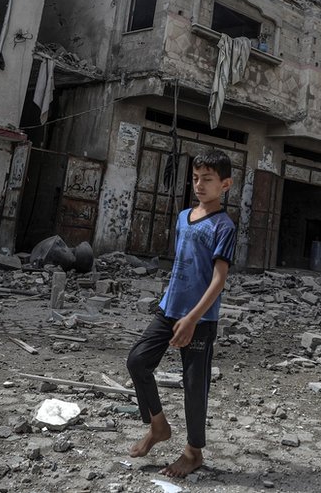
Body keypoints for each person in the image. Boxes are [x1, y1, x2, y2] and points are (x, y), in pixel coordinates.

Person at [126, 150, 236, 478]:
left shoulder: (224, 225)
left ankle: (193, 453)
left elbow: (218, 279)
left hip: (200, 320)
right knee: (137, 361)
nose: (200, 184)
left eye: (208, 179)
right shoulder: (183, 216)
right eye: (196, 178)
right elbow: (183, 263)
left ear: (226, 184)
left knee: (194, 386)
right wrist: (173, 309)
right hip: (168, 309)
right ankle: (158, 426)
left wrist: (191, 318)